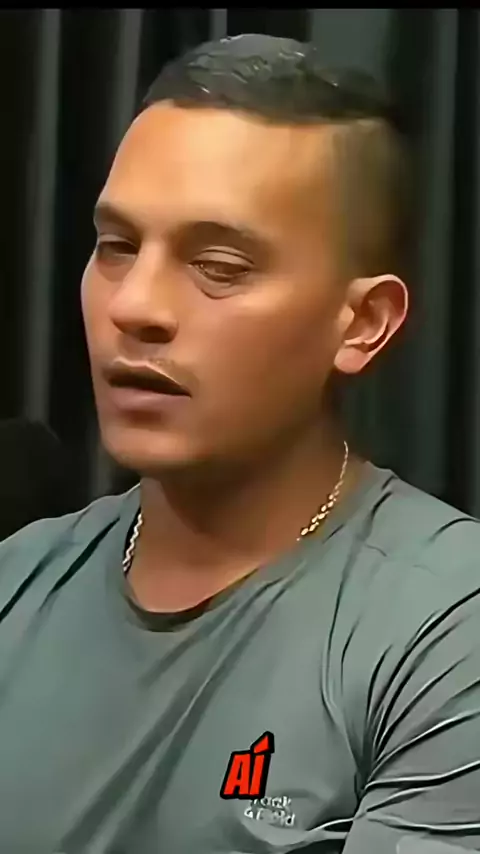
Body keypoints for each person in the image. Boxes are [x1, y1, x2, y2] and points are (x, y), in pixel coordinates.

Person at [1, 33, 479, 854]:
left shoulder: (445, 628)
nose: (135, 306)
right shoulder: (17, 582)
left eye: (218, 266)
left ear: (362, 324)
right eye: (117, 247)